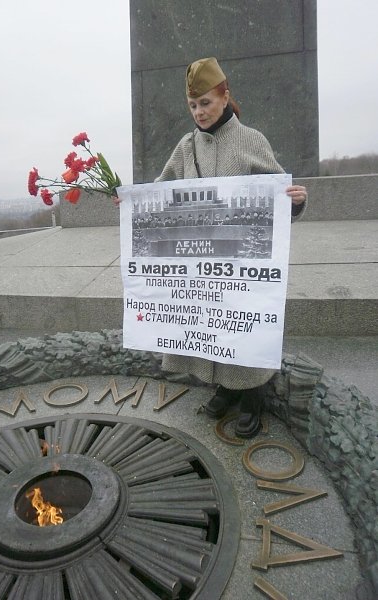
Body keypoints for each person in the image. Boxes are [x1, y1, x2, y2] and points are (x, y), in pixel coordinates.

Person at [154, 57, 307, 438]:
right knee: (213, 325)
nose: (199, 112)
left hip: (243, 259)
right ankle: (225, 388)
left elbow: (277, 195)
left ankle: (252, 394)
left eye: (205, 102)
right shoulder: (185, 147)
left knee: (243, 325)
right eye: (192, 105)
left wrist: (296, 201)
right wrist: (130, 203)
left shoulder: (252, 140)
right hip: (202, 259)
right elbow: (160, 190)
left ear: (225, 97)